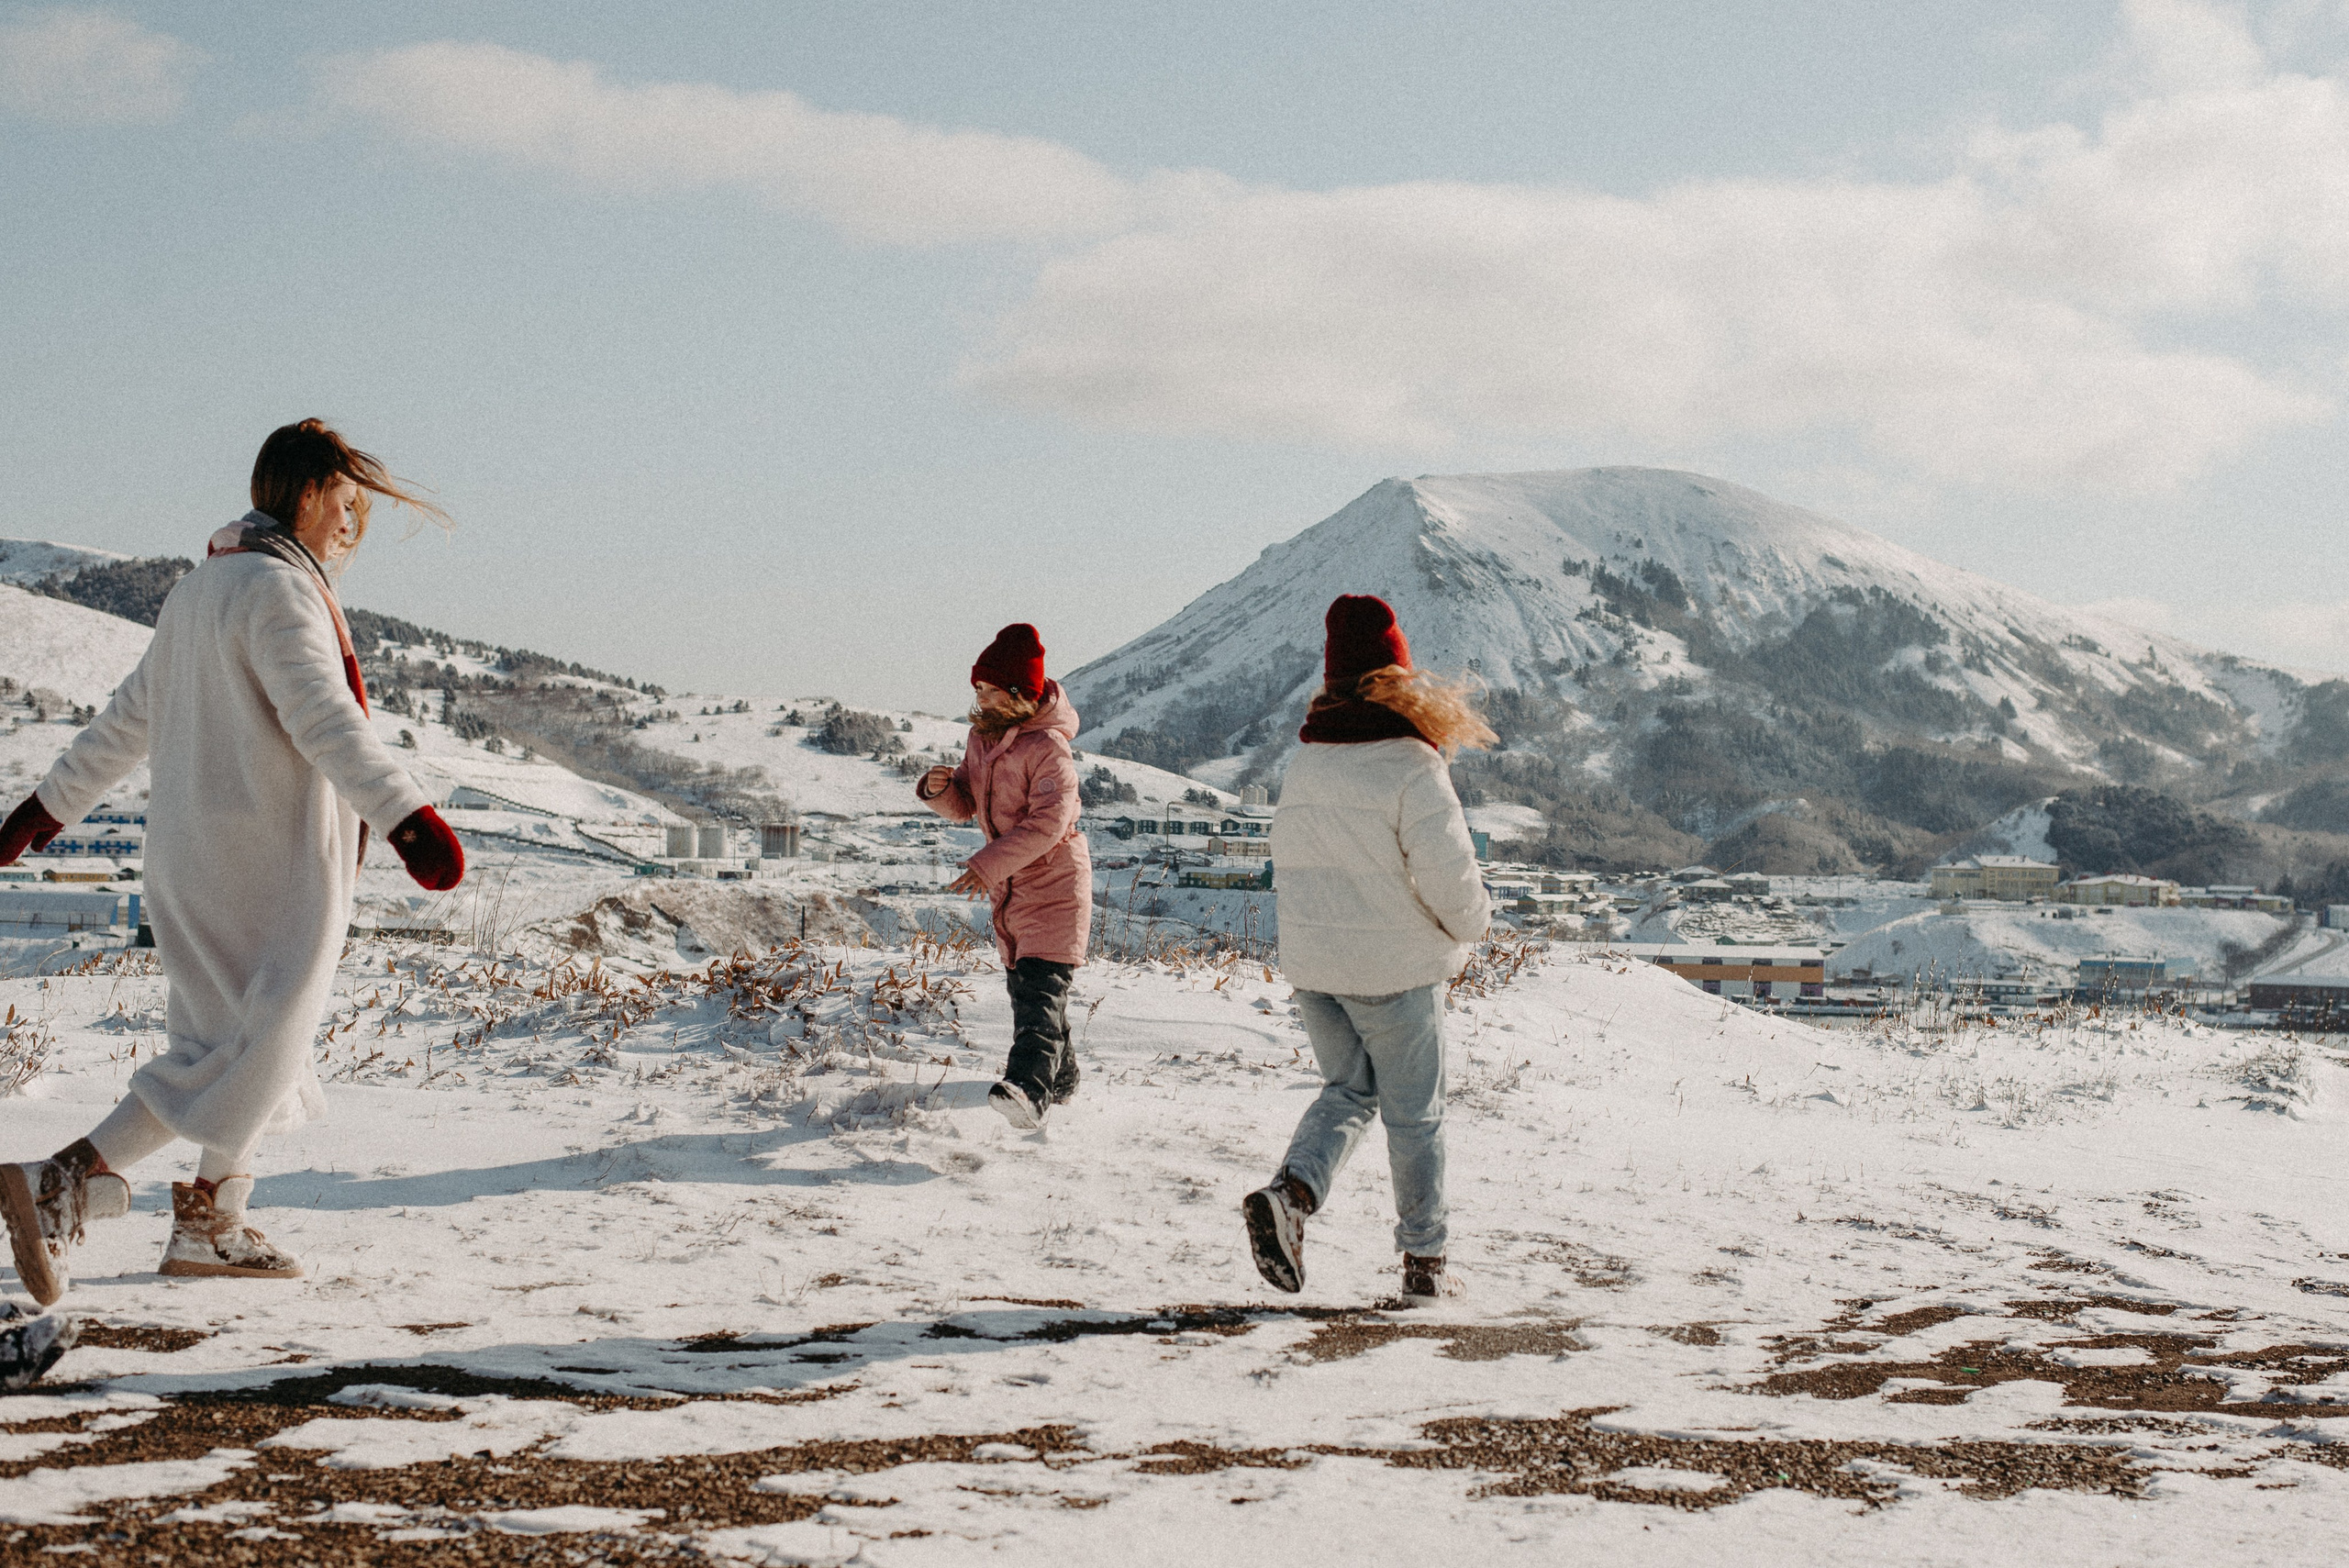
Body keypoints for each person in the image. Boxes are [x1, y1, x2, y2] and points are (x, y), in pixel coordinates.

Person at [0, 419, 466, 1308]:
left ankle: (209, 1222)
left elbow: (125, 721)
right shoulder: (277, 591)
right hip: (271, 861)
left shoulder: (198, 590)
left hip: (190, 856)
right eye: (346, 504)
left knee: (236, 1048)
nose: (352, 526)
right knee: (252, 1050)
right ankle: (65, 1179)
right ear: (306, 492)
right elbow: (326, 720)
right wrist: (410, 822)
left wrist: (41, 811)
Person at [1242, 594, 1493, 1306]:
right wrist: (1470, 926)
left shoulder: (1307, 762)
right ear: (1397, 674)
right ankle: (1424, 1268)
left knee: (1348, 1091)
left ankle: (1291, 1195)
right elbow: (1452, 879)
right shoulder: (1412, 763)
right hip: (1394, 973)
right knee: (1416, 1118)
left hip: (1316, 971)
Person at [917, 623, 1092, 1129]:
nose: (981, 698)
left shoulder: (1049, 750)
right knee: (1029, 991)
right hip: (1011, 889)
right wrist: (940, 790)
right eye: (979, 689)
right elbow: (967, 801)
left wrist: (986, 865)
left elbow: (1048, 824)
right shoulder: (981, 740)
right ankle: (1062, 1078)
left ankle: (1028, 1092)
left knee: (1040, 991)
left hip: (1055, 885)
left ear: (1018, 694)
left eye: (991, 690)